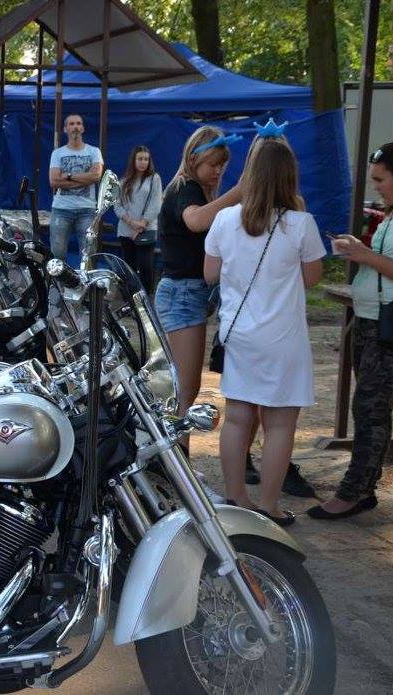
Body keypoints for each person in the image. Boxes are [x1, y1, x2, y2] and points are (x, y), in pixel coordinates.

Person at [204, 136, 325, 526]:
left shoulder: (224, 219)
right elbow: (312, 278)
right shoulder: (301, 224)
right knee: (280, 423)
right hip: (283, 336)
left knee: (237, 417)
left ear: (250, 173)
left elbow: (210, 274)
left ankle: (236, 496)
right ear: (290, 177)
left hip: (239, 333)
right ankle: (270, 505)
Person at [311, 142, 393, 520]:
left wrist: (366, 256)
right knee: (372, 407)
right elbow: (386, 262)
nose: (376, 187)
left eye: (381, 179)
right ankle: (364, 487)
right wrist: (358, 249)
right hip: (368, 316)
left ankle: (352, 491)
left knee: (368, 404)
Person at [155, 126, 242, 453]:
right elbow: (195, 221)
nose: (218, 170)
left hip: (188, 294)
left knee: (185, 389)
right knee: (184, 390)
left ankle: (177, 460)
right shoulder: (185, 188)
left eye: (222, 165)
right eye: (212, 164)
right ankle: (177, 463)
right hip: (182, 294)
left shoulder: (195, 189)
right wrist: (238, 192)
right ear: (193, 160)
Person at [48, 114, 104, 261]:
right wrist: (85, 179)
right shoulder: (57, 153)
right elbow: (54, 181)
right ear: (65, 129)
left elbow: (96, 176)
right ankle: (59, 277)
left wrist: (67, 175)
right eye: (71, 124)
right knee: (57, 254)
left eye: (78, 123)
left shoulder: (94, 151)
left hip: (87, 210)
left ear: (83, 128)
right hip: (61, 209)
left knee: (88, 256)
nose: (75, 127)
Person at [113, 145, 162, 293]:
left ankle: (147, 297)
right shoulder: (124, 181)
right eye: (140, 159)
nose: (143, 162)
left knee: (146, 266)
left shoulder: (154, 179)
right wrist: (131, 223)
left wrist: (142, 224)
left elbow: (156, 203)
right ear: (133, 160)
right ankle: (131, 298)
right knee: (129, 267)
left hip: (146, 229)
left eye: (146, 159)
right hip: (126, 230)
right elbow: (117, 205)